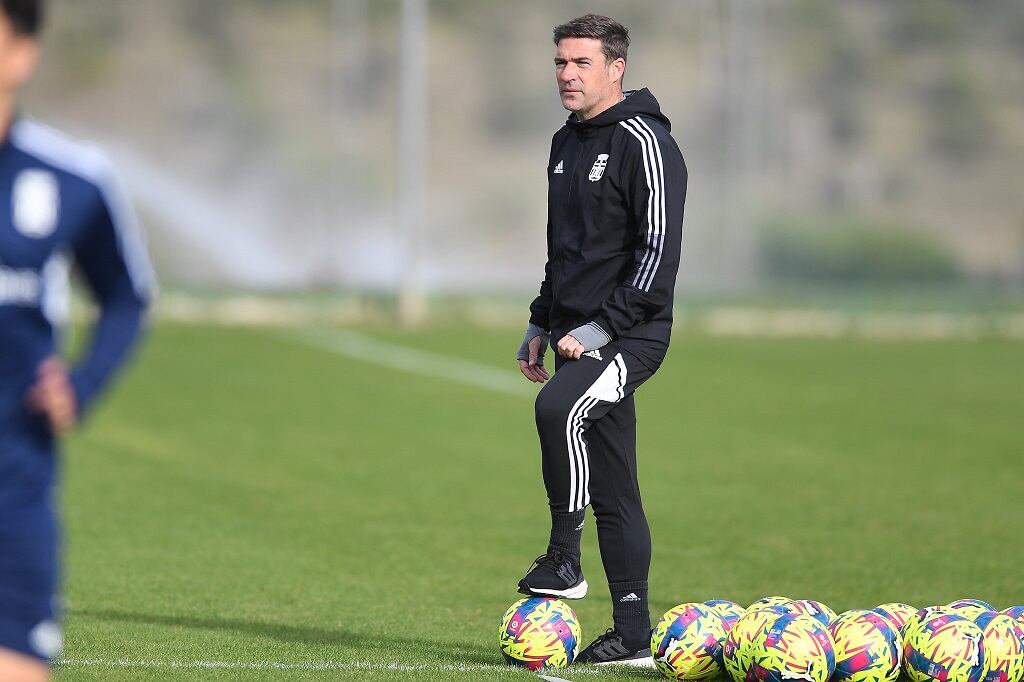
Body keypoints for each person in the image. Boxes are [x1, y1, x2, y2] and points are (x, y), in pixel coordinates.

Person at [515, 14, 687, 666]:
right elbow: (564, 253)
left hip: (631, 336)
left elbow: (657, 256)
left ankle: (564, 558)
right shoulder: (566, 142)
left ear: (616, 67)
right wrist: (542, 321)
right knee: (616, 486)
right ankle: (633, 636)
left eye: (580, 62)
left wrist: (600, 328)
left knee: (557, 408)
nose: (566, 74)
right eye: (560, 62)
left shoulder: (646, 141)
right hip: (575, 336)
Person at [0, 0, 155, 679]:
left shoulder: (68, 176)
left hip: (14, 485)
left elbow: (127, 294)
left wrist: (82, 384)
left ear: (22, 52)